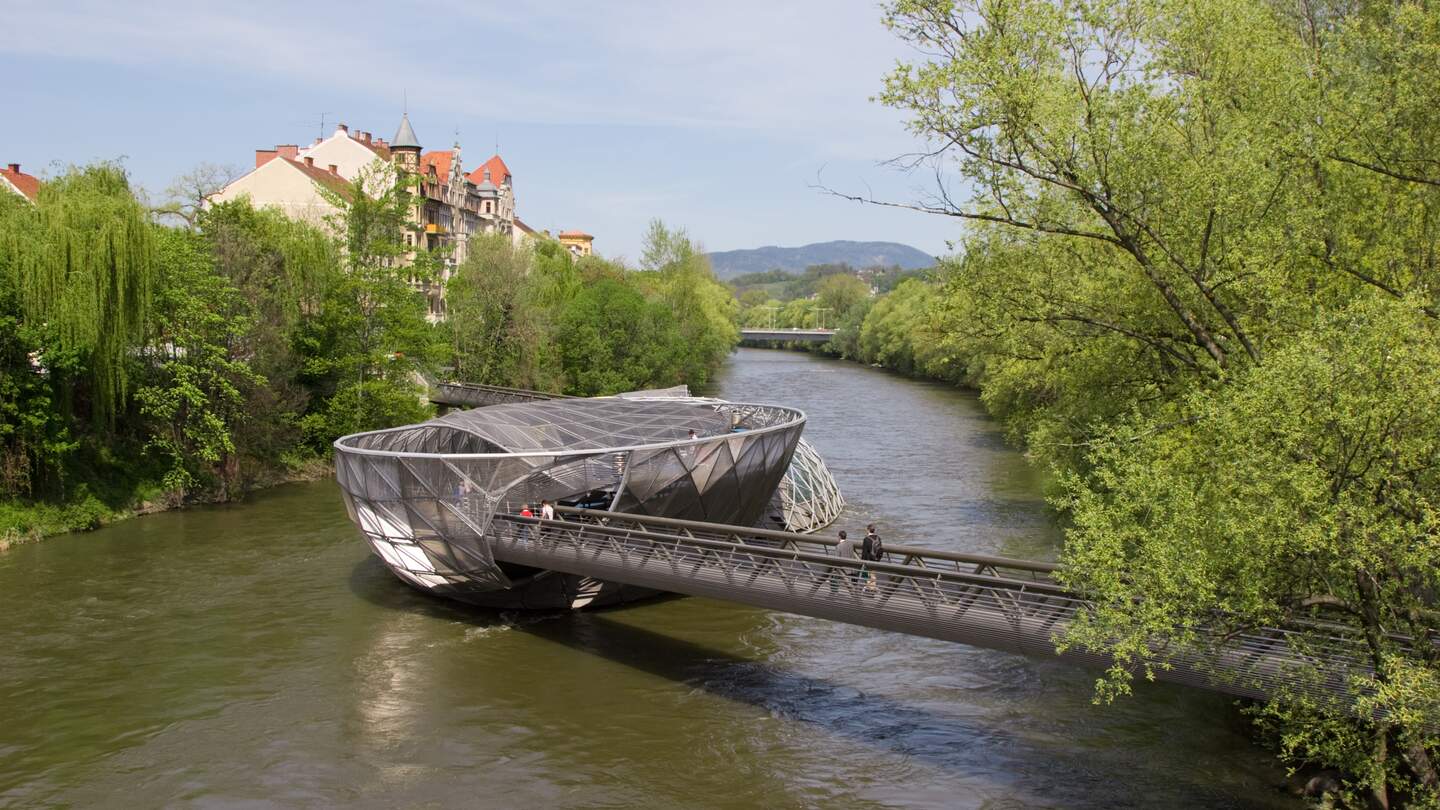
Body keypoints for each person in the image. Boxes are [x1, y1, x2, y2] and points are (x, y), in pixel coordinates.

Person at [861, 524, 884, 592]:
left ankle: (871, 589)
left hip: (869, 560)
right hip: (876, 559)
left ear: (868, 530)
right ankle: (872, 587)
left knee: (868, 575)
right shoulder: (878, 538)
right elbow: (880, 549)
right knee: (873, 574)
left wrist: (862, 561)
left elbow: (864, 553)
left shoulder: (866, 539)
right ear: (874, 530)